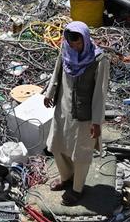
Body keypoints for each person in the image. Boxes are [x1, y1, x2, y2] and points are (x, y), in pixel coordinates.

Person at [43, 21, 110, 206]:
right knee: (57, 145)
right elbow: (57, 72)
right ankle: (66, 178)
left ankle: (77, 188)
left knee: (81, 153)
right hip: (63, 109)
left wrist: (97, 121)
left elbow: (100, 93)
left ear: (86, 39)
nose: (75, 47)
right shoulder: (66, 50)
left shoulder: (98, 60)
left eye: (78, 43)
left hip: (84, 115)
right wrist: (49, 93)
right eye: (72, 43)